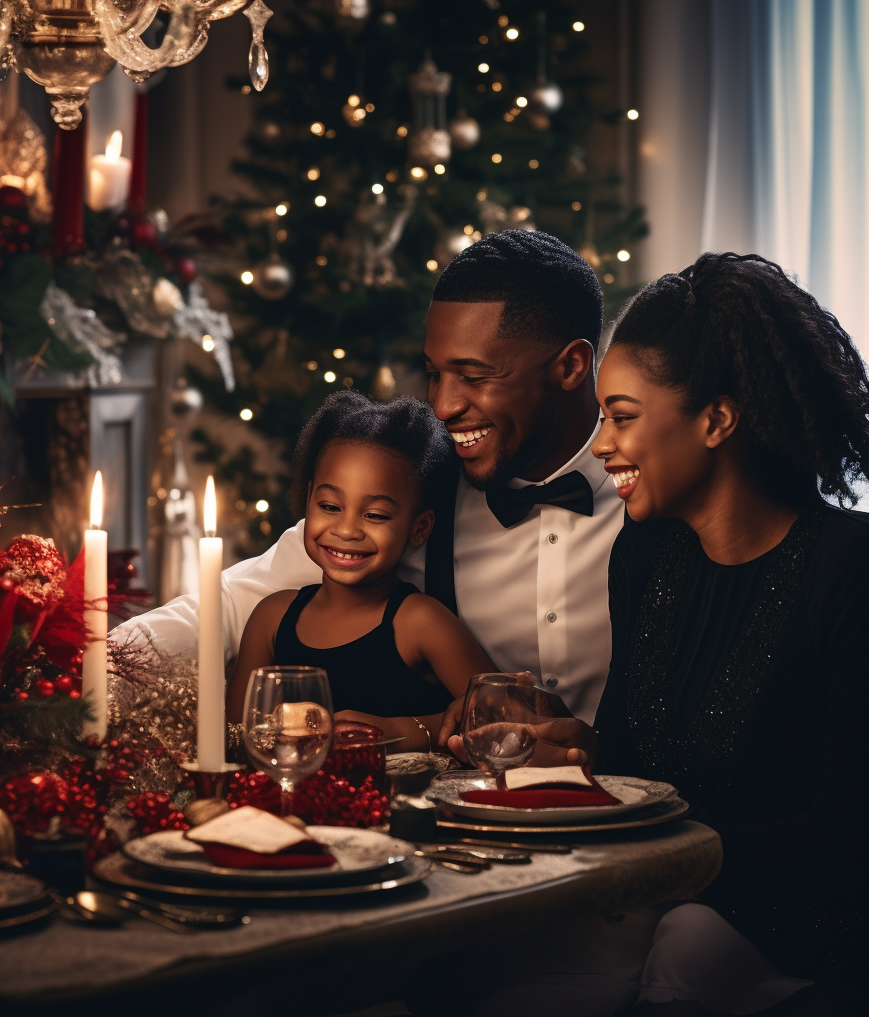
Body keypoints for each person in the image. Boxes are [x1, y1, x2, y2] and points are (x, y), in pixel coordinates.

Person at [440, 253, 867, 1017]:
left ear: (717, 419)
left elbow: (845, 840)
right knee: (466, 965)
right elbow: (640, 765)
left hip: (804, 921)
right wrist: (579, 750)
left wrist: (657, 859)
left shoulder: (850, 569)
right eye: (603, 415)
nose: (601, 446)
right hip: (665, 899)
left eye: (623, 417)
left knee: (684, 956)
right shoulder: (646, 555)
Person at [115, 230, 622, 726]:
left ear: (572, 366)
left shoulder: (654, 494)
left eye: (474, 377)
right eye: (434, 374)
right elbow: (229, 604)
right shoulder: (420, 486)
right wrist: (94, 667)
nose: (442, 406)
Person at [226, 392, 495, 750]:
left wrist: (399, 730)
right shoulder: (271, 619)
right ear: (309, 500)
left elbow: (501, 716)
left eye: (375, 515)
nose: (347, 530)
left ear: (419, 528)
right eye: (330, 506)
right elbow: (235, 736)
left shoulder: (420, 622)